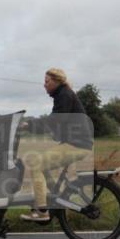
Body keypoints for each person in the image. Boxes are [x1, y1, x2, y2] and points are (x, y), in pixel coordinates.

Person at [19, 68, 93, 222]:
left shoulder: (64, 95)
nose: (44, 85)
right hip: (75, 143)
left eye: (47, 81)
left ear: (57, 81)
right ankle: (54, 198)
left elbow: (53, 122)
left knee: (35, 164)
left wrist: (28, 125)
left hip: (77, 145)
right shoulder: (63, 94)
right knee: (41, 162)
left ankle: (42, 212)